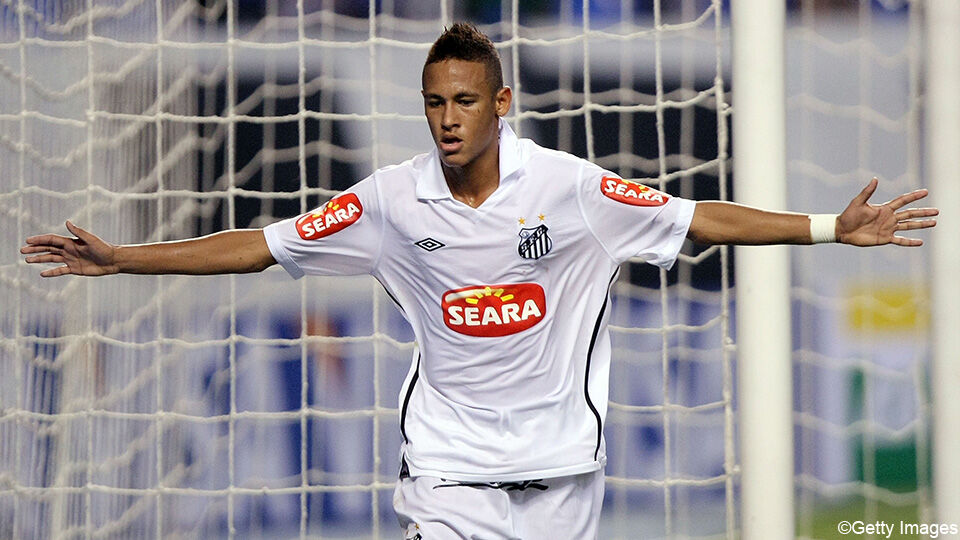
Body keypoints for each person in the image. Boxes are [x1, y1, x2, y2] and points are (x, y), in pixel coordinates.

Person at [21, 23, 937, 540]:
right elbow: (261, 244)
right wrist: (121, 257)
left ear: (501, 103)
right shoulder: (390, 200)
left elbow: (698, 217)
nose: (448, 120)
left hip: (562, 479)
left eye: (465, 101)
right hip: (448, 477)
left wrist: (829, 227)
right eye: (434, 102)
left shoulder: (572, 190)